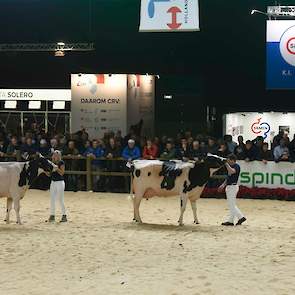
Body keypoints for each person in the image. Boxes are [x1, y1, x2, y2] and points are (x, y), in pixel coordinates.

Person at [218, 154, 246, 226]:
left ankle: (232, 220)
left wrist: (226, 165)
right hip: (230, 186)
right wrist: (223, 185)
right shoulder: (231, 166)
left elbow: (232, 172)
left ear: (233, 160)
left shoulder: (236, 166)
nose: (228, 162)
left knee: (231, 205)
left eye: (229, 160)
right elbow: (228, 177)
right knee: (232, 204)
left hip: (233, 187)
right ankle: (240, 217)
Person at [47, 150, 67, 223]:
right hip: (53, 182)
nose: (55, 156)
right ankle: (52, 216)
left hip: (60, 182)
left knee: (60, 199)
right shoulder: (51, 164)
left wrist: (56, 168)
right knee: (52, 200)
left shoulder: (61, 162)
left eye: (56, 155)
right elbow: (49, 174)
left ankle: (64, 215)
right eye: (54, 155)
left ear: (59, 156)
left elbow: (62, 173)